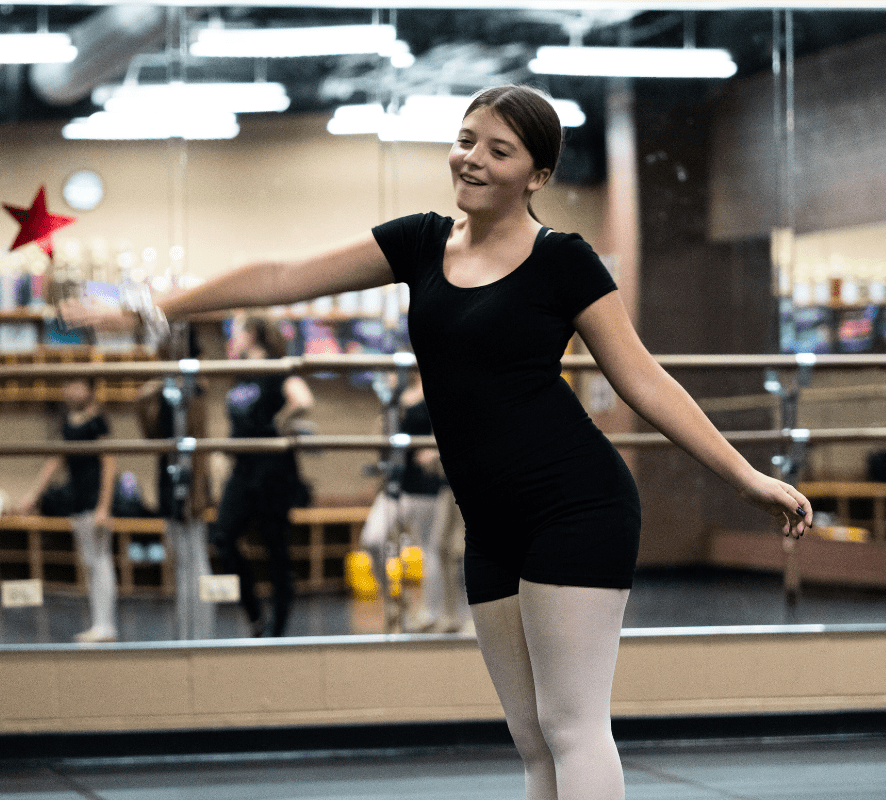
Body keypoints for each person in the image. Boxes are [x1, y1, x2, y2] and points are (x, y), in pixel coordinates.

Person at [59, 84, 812, 799]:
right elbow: (281, 275)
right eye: (465, 142)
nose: (472, 159)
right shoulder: (419, 244)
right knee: (529, 735)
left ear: (537, 175)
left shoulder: (562, 260)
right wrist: (149, 311)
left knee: (572, 725)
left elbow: (646, 383)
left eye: (500, 150)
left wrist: (747, 477)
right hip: (491, 522)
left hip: (576, 506)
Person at [211, 314, 313, 637]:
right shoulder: (239, 372)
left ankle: (278, 628)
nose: (232, 336)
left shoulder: (275, 366)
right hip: (243, 468)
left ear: (252, 334)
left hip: (272, 470)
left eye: (236, 330)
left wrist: (280, 422)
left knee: (275, 549)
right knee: (223, 536)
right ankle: (255, 617)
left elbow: (304, 399)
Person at [358, 372, 466, 632]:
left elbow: (455, 426)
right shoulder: (393, 401)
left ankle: (430, 614)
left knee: (431, 550)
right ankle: (396, 603)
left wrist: (434, 450)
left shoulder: (433, 391)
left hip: (425, 487)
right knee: (372, 540)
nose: (389, 376)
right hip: (395, 485)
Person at [16, 376, 118, 643]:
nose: (69, 390)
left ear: (89, 389)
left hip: (95, 498)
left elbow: (110, 462)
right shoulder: (70, 421)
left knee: (100, 560)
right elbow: (55, 459)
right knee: (90, 560)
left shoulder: (98, 421)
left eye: (75, 385)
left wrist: (104, 506)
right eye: (67, 385)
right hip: (78, 497)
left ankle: (105, 624)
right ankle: (100, 622)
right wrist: (32, 496)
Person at [134, 324, 216, 639]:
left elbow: (200, 446)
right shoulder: (167, 389)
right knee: (180, 559)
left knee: (196, 559)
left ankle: (200, 633)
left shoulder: (195, 390)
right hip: (168, 479)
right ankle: (185, 631)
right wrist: (143, 399)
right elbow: (152, 437)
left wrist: (197, 492)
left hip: (191, 483)